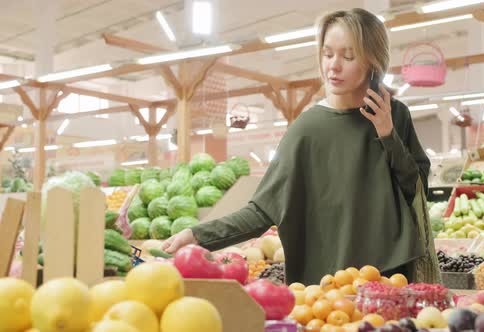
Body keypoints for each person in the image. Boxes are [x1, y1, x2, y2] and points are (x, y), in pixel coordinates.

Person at [162, 8, 440, 285]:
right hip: (328, 284)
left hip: (389, 274)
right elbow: (263, 211)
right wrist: (198, 236)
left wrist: (387, 134)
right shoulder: (305, 130)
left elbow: (416, 188)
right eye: (327, 54)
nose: (334, 65)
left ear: (373, 62)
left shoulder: (395, 114)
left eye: (348, 56)